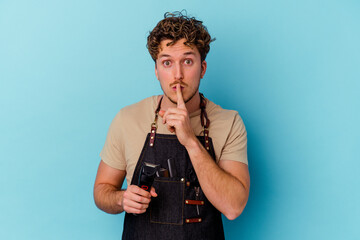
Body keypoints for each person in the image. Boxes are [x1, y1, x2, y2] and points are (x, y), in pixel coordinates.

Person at [93, 11, 250, 240]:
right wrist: (121, 199)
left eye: (187, 61)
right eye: (167, 63)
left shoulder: (229, 122)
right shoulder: (128, 118)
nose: (177, 75)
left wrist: (191, 142)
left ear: (202, 68)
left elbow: (233, 207)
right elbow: (101, 190)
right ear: (157, 71)